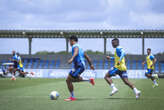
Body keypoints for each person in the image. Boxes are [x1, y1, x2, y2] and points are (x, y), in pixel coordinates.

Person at [64, 35, 95, 101]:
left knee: (69, 80)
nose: (69, 43)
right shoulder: (81, 48)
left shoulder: (75, 46)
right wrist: (91, 65)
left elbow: (76, 51)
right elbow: (87, 57)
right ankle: (89, 80)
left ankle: (72, 97)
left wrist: (72, 58)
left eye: (69, 41)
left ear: (72, 41)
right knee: (69, 79)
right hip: (80, 66)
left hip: (79, 66)